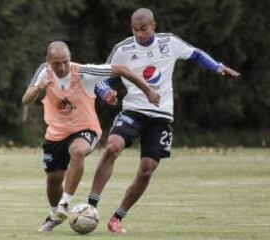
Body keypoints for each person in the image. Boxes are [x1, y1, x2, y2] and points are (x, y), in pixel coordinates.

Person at [87, 8, 241, 234]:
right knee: (112, 147)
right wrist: (106, 93)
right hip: (133, 110)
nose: (139, 34)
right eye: (135, 30)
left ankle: (117, 218)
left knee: (148, 168)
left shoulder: (169, 43)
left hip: (161, 115)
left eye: (144, 29)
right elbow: (100, 79)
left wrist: (217, 67)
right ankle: (90, 208)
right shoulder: (123, 49)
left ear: (154, 26)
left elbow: (195, 53)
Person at [22, 41, 160, 232]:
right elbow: (26, 100)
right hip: (55, 133)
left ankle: (65, 203)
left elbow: (122, 70)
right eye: (57, 63)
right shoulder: (44, 72)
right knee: (53, 179)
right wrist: (39, 88)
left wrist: (148, 90)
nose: (62, 67)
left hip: (85, 129)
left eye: (66, 62)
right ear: (48, 61)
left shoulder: (84, 71)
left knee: (77, 151)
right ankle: (55, 214)